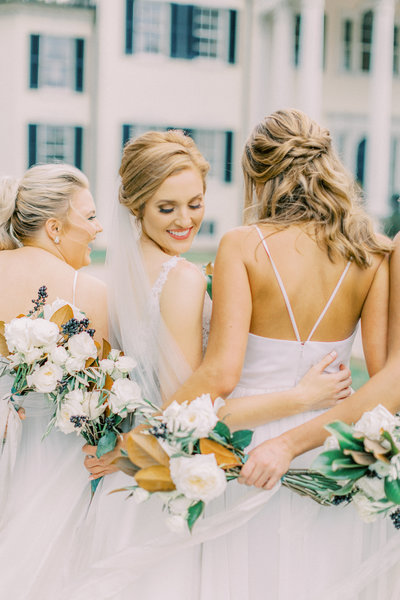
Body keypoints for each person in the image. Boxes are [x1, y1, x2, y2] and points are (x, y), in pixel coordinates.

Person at [76, 129, 352, 600]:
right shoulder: (179, 279)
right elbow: (193, 412)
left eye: (195, 203)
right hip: (164, 484)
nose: (186, 221)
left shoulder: (116, 279)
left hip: (131, 478)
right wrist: (301, 396)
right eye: (167, 208)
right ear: (136, 207)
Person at [166, 109, 392, 599]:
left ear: (258, 175)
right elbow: (381, 375)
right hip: (328, 443)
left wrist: (157, 425)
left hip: (245, 449)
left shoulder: (242, 246)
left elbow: (221, 373)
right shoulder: (372, 251)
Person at [0, 163, 106, 600]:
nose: (99, 229)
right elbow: (107, 394)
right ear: (55, 227)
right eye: (91, 216)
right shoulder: (90, 291)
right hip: (59, 462)